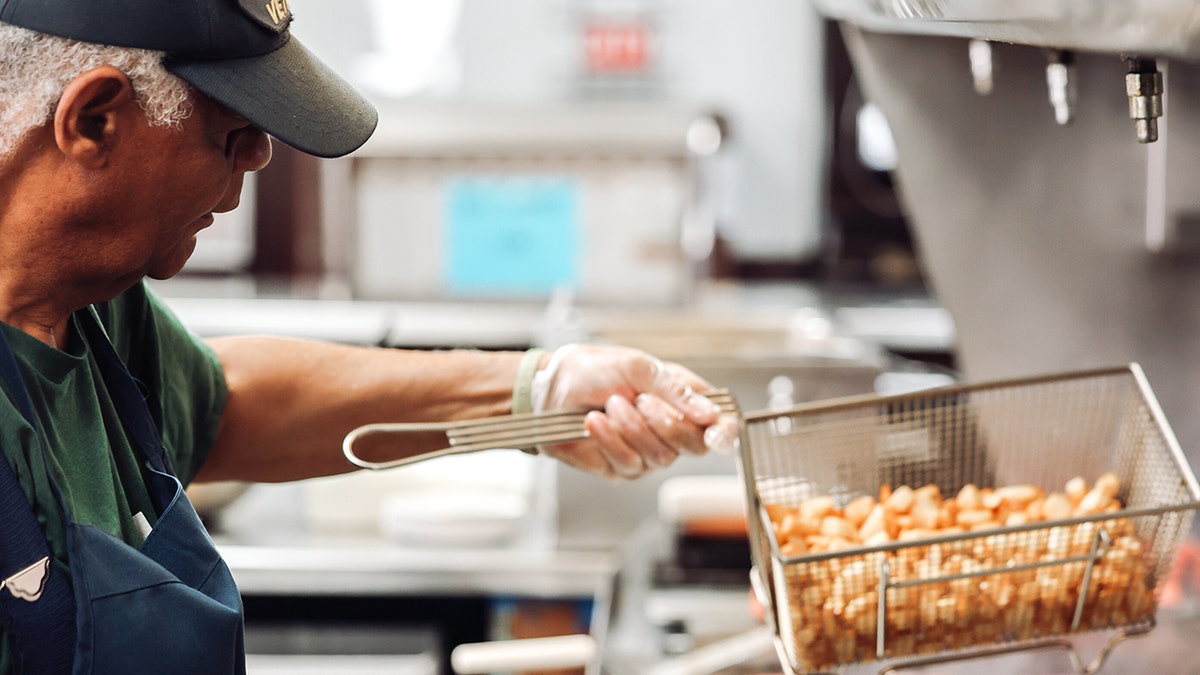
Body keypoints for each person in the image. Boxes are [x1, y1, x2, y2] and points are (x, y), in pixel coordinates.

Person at [0, 2, 741, 673]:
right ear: (94, 120)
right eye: (230, 136)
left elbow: (229, 403)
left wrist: (538, 392)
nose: (253, 168)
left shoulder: (92, 304)